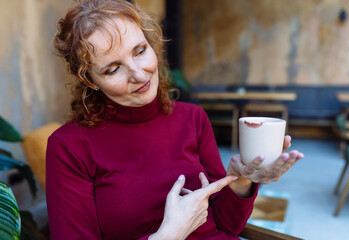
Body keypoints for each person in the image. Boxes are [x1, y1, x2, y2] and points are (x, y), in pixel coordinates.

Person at [45, 0, 304, 239]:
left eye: (140, 51)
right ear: (90, 80)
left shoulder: (192, 118)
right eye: (113, 69)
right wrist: (169, 233)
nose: (138, 74)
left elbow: (227, 226)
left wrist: (242, 179)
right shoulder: (69, 146)